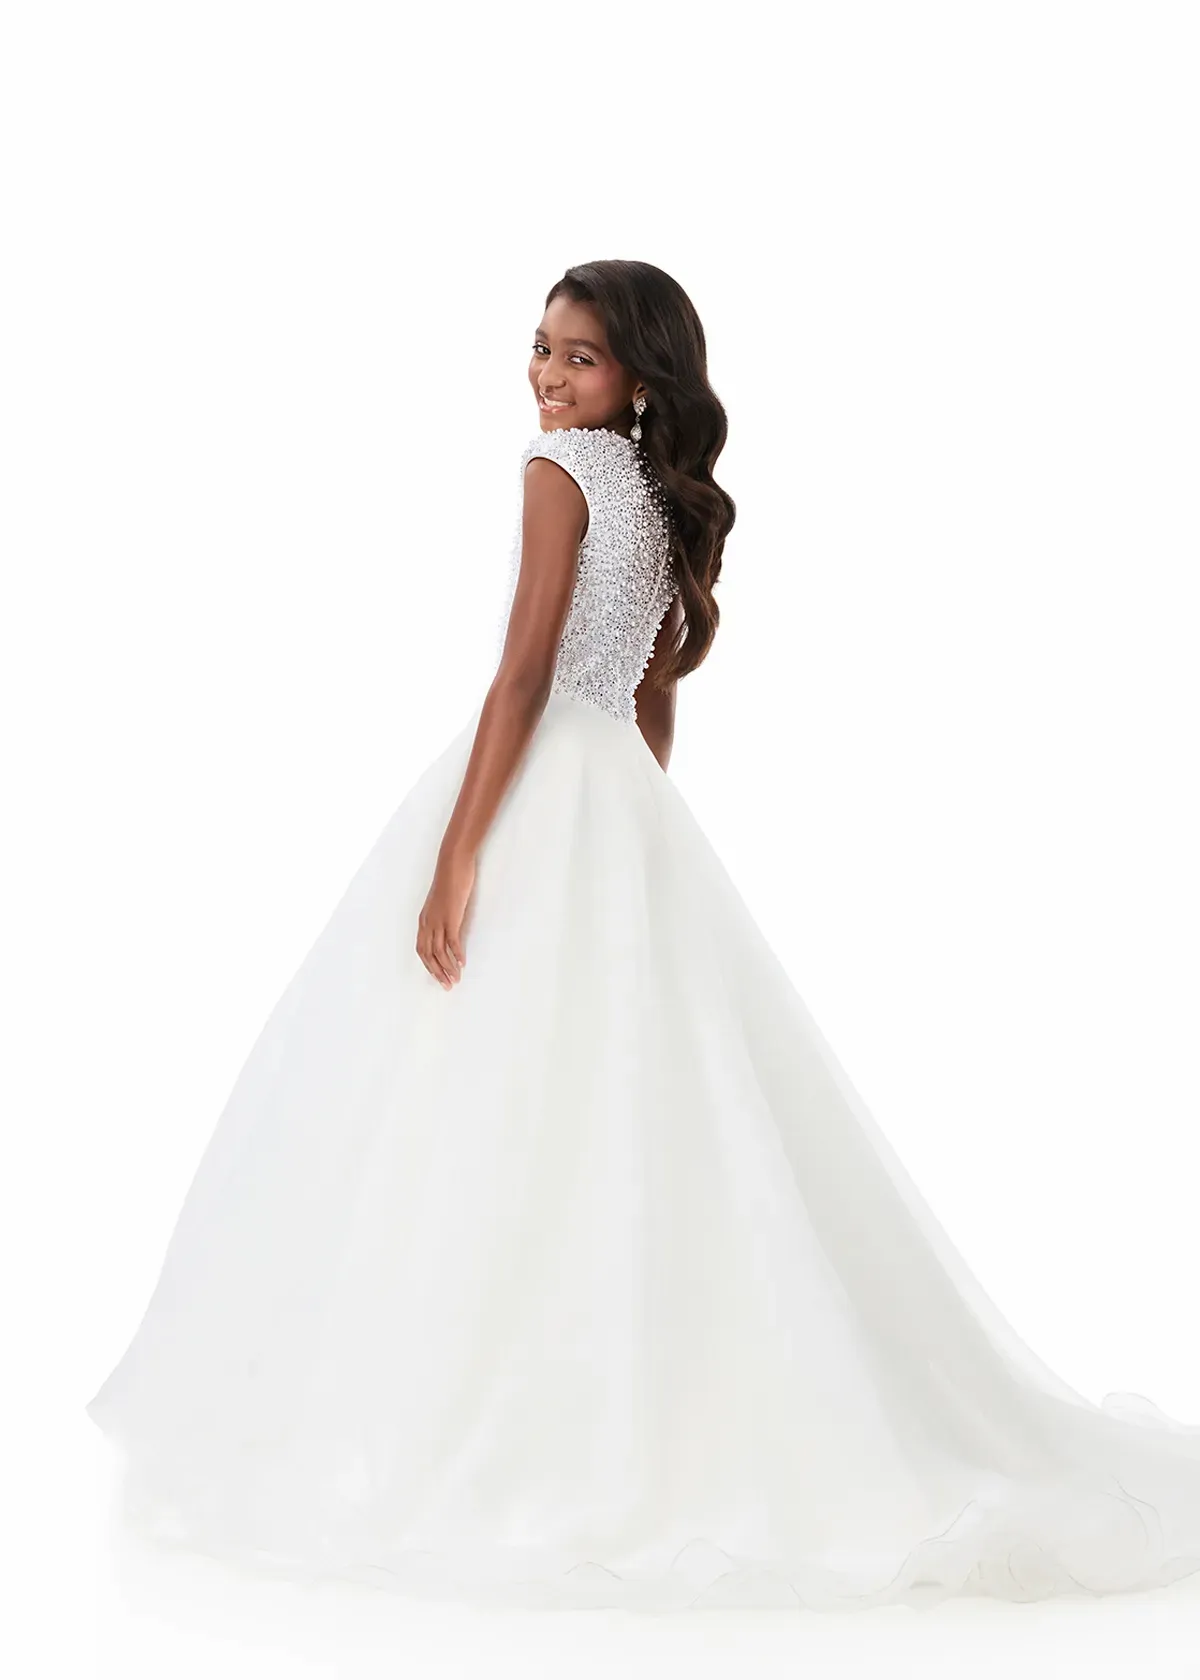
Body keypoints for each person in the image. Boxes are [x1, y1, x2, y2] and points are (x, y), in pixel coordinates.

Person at [86, 259, 1200, 1614]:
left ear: (638, 377)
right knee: (630, 1091)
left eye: (582, 357)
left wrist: (457, 854)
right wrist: (635, 829)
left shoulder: (556, 472)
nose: (549, 377)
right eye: (541, 347)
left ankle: (481, 1405)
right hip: (612, 792)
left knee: (469, 1086)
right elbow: (651, 694)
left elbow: (522, 672)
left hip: (535, 784)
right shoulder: (665, 495)